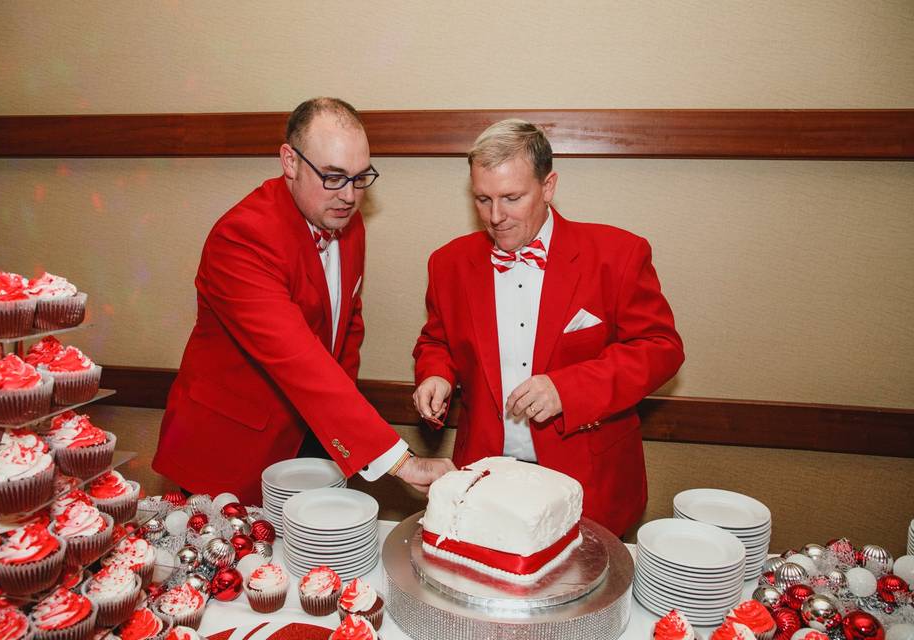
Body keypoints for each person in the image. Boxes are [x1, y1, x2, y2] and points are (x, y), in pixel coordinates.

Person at [154, 97, 454, 503]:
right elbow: (296, 357)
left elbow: (346, 327)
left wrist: (337, 435)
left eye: (359, 177)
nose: (348, 196)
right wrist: (401, 461)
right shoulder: (242, 237)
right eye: (332, 177)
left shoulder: (346, 221)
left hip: (313, 439)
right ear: (290, 161)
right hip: (228, 450)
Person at [412, 119, 684, 535]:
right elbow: (437, 339)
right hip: (487, 477)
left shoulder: (618, 254)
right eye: (482, 199)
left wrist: (569, 389)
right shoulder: (448, 263)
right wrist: (435, 373)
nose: (496, 217)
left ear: (549, 186)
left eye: (512, 197)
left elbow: (661, 348)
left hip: (588, 480)